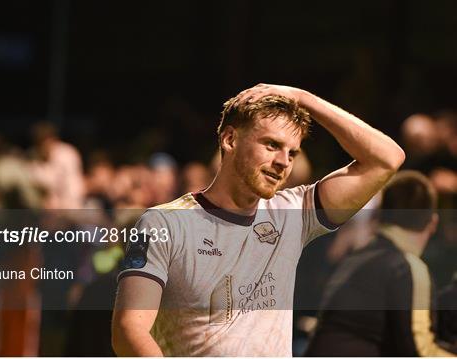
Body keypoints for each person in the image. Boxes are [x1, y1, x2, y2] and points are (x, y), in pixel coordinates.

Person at [112, 83, 405, 356]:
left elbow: (387, 159)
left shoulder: (293, 213)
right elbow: (128, 329)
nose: (283, 162)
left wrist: (304, 98)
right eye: (271, 145)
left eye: (292, 153)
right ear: (229, 139)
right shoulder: (164, 223)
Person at [305, 171, 455, 357]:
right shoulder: (406, 267)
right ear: (433, 222)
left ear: (379, 214)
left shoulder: (355, 259)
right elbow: (419, 351)